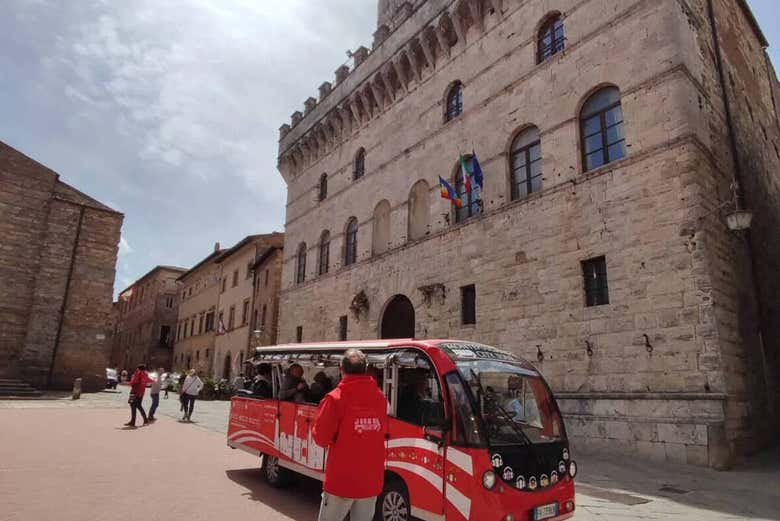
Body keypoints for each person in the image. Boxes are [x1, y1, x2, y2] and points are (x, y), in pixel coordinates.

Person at [312, 349, 388, 521]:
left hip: (342, 480)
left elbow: (321, 438)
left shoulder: (335, 399)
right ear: (365, 369)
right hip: (370, 480)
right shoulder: (381, 398)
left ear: (342, 369)